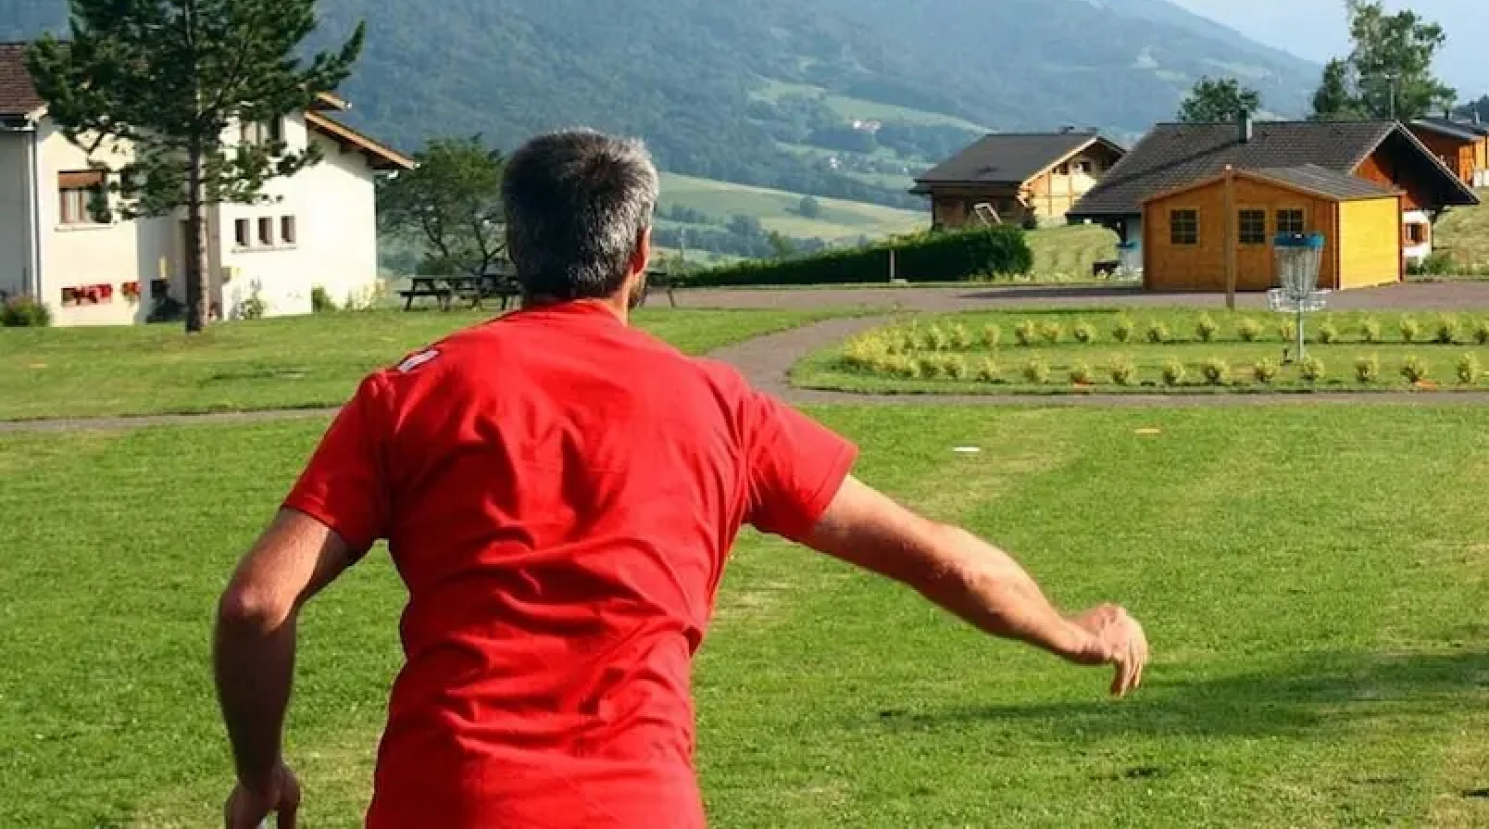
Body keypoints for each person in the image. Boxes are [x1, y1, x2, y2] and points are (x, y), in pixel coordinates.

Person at [212, 128, 1149, 829]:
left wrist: (261, 773)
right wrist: (1074, 634)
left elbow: (259, 601)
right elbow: (942, 560)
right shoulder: (721, 408)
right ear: (641, 255)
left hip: (447, 799)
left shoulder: (411, 393)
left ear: (516, 247)